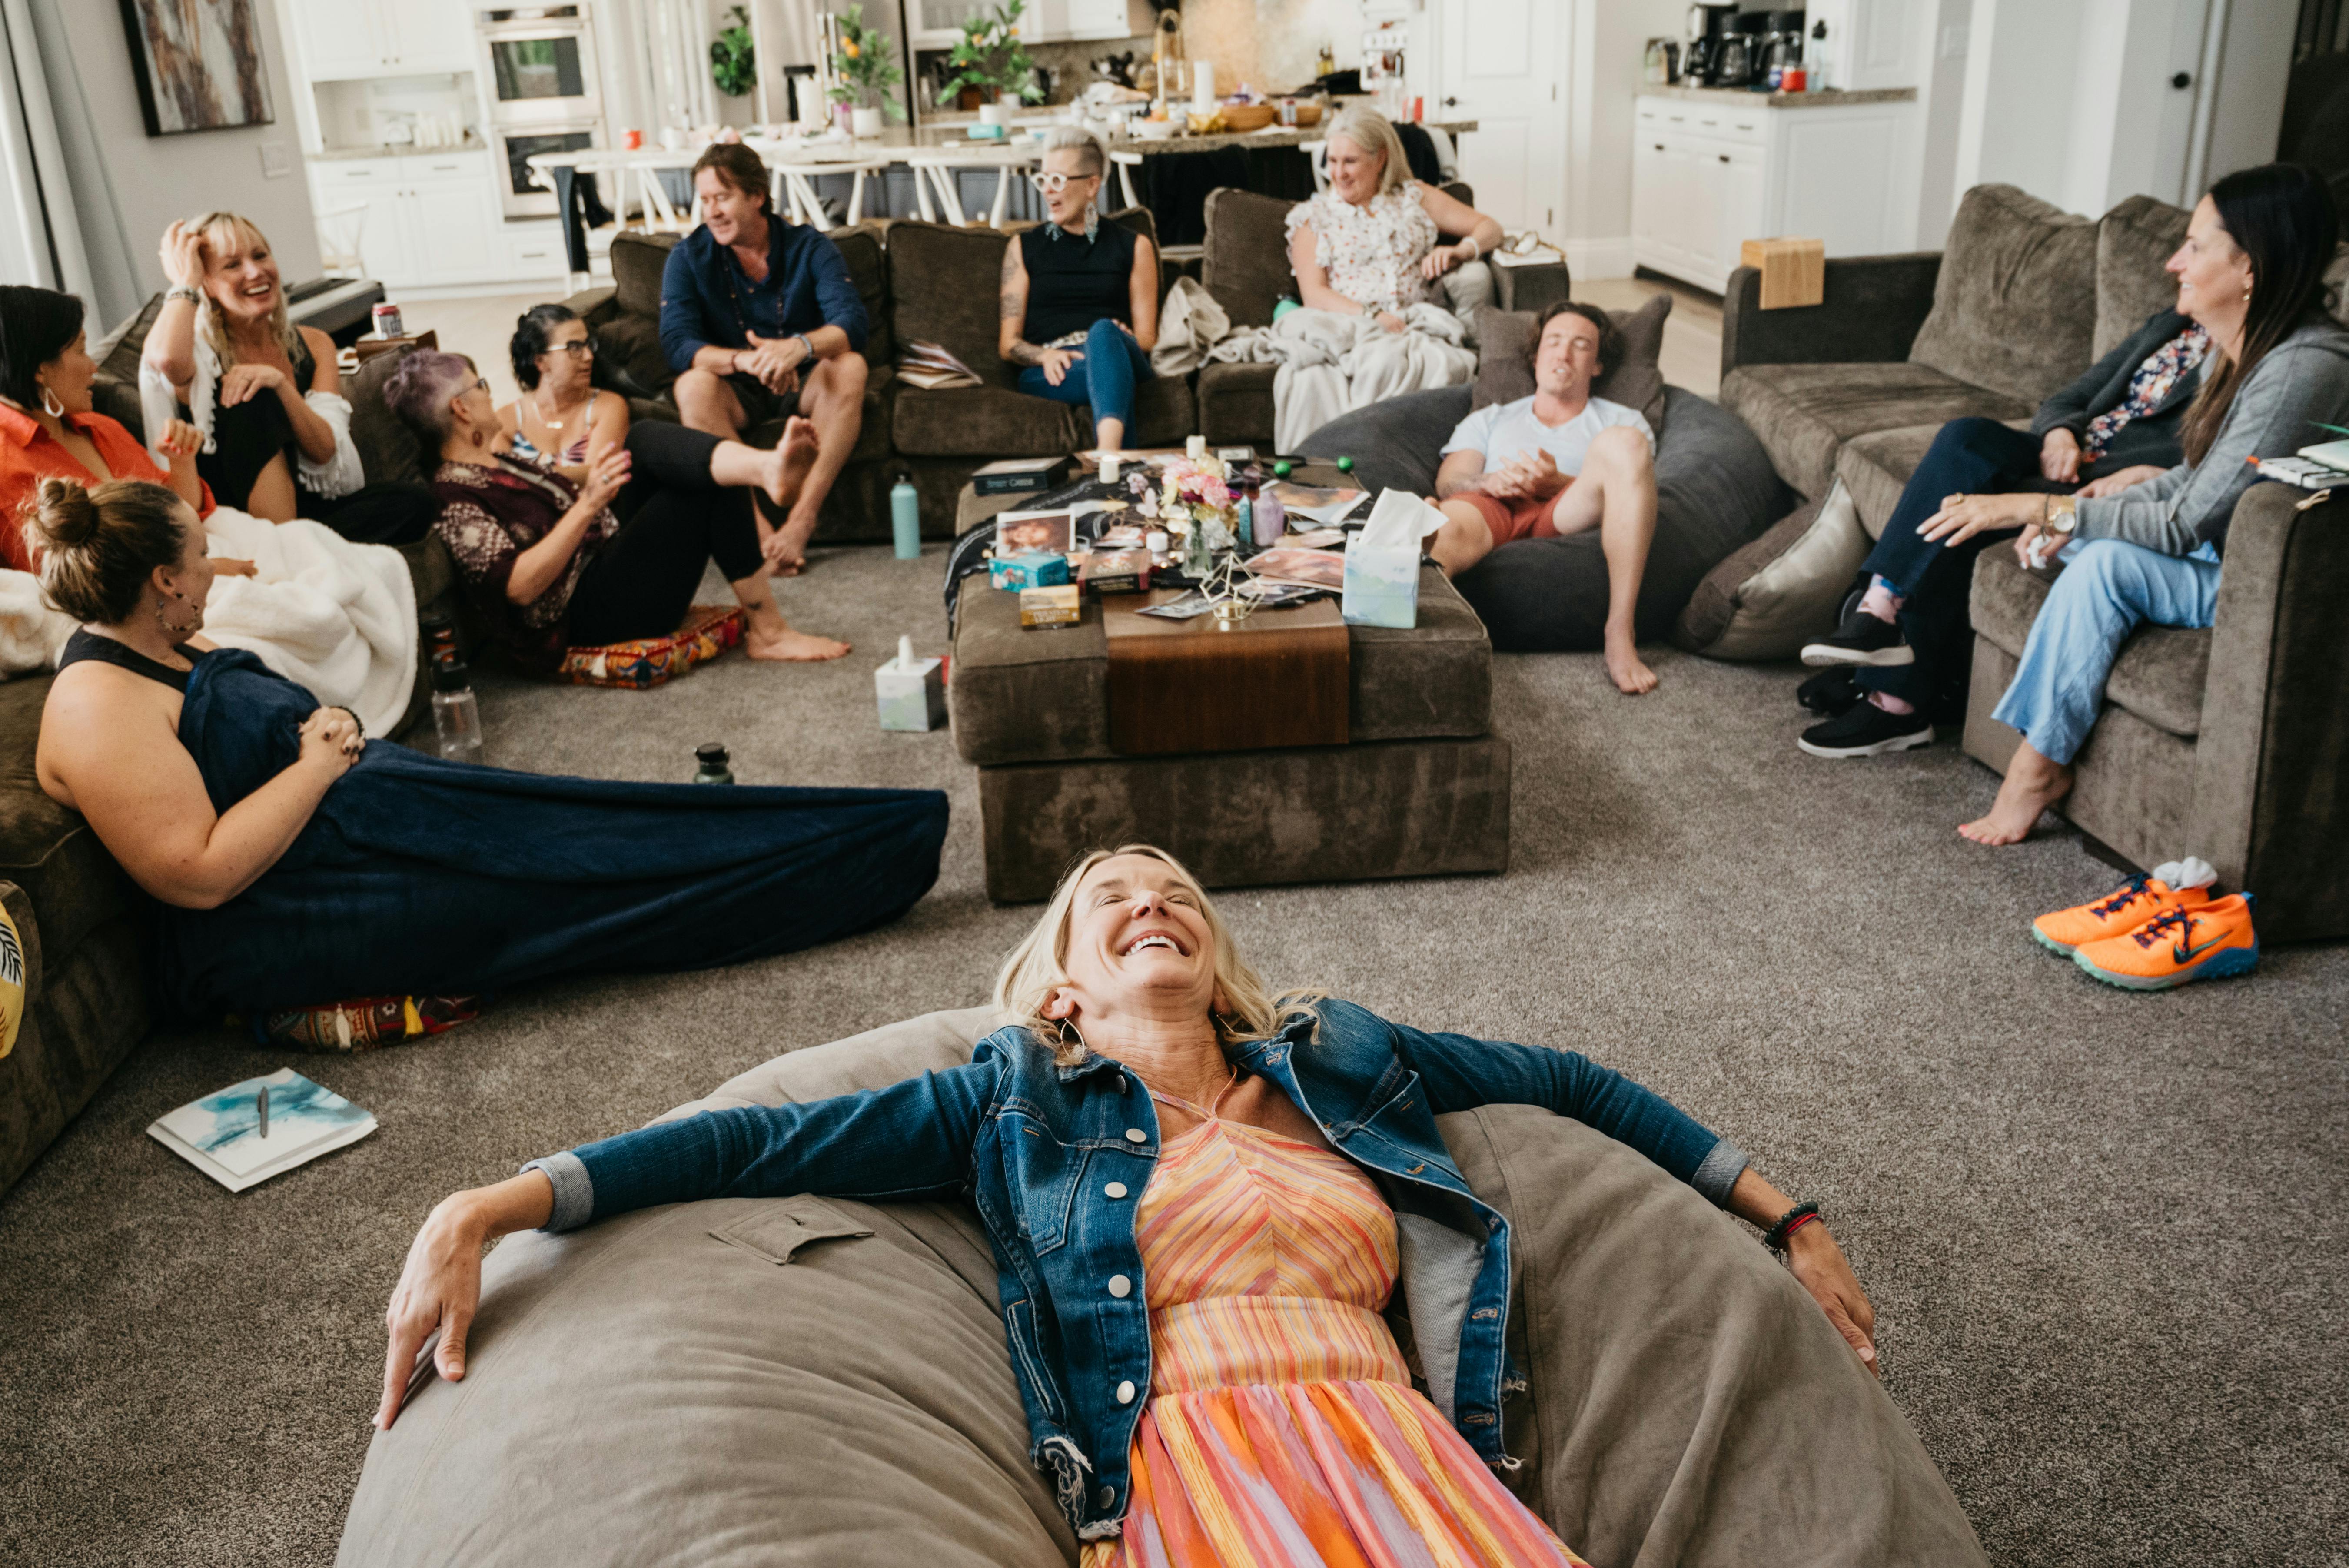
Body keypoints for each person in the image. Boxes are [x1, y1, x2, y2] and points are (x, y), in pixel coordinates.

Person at [375, 843, 1882, 1563]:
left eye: (1173, 890)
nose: (1148, 896)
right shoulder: (1010, 1097)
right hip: (1194, 1467)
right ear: (1061, 977)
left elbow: (1571, 1082)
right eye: (1112, 893)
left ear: (1214, 956)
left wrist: (1786, 1212)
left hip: (1412, 1453)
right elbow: (752, 1145)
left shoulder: (1341, 1058)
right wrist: (495, 1201)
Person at [26, 473, 947, 1022]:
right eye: (199, 562)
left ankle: (876, 832)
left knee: (599, 829)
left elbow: (250, 702)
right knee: (579, 897)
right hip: (307, 904)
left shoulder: (164, 634)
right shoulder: (97, 705)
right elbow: (199, 873)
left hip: (369, 811)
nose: (213, 574)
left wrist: (334, 741)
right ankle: (864, 863)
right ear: (159, 582)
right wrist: (317, 760)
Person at [1913, 164, 2348, 844]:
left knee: (2100, 561)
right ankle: (1906, 666)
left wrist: (2038, 509)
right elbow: (2191, 484)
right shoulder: (2240, 353)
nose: (2175, 262)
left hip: (2273, 583)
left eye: (2196, 247)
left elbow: (2185, 524)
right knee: (2065, 537)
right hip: (2219, 547)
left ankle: (2037, 768)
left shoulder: (2303, 369)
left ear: (2251, 269)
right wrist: (2067, 515)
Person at [1792, 303, 2210, 758]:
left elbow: (2220, 470)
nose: (2177, 262)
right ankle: (1878, 607)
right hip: (2064, 457)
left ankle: (1893, 701)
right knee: (1964, 438)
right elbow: (2067, 398)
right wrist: (2058, 434)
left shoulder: (2255, 355)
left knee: (1961, 510)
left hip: (2107, 487)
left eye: (2194, 246)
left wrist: (2149, 473)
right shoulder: (2171, 325)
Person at [388, 350, 849, 669]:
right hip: (583, 614)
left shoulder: (494, 459)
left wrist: (602, 474)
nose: (488, 393)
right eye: (479, 386)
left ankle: (767, 469)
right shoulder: (453, 499)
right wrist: (587, 506)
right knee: (699, 490)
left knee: (648, 440)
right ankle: (767, 631)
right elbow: (520, 587)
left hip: (605, 556)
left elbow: (540, 488)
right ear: (460, 410)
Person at [140, 211, 435, 542]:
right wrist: (184, 282)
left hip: (310, 510)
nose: (255, 272)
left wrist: (280, 384)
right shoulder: (198, 352)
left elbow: (324, 451)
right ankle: (294, 551)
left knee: (414, 502)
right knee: (252, 397)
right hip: (242, 520)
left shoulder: (314, 343)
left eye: (260, 255)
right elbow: (166, 359)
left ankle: (305, 548)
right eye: (232, 265)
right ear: (205, 282)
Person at [1430, 300, 1660, 695]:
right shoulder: (1491, 417)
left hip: (1568, 507)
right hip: (1494, 506)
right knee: (1440, 529)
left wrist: (1558, 484)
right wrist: (1488, 481)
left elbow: (1631, 493)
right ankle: (1425, 641)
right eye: (1553, 341)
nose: (1563, 352)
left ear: (1598, 365)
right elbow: (1448, 482)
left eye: (1581, 345)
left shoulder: (1623, 420)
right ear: (1536, 357)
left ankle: (1620, 631)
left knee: (1624, 445)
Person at [661, 142, 869, 577]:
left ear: (756, 195)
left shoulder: (809, 247)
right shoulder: (687, 257)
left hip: (806, 383)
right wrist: (745, 362)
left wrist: (799, 348)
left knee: (850, 365)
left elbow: (851, 321)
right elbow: (677, 342)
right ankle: (756, 535)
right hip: (736, 388)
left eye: (723, 197)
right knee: (691, 384)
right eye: (704, 200)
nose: (711, 211)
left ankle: (801, 521)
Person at [0, 285, 210, 575]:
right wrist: (197, 570)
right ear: (40, 369)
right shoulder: (7, 463)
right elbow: (68, 575)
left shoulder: (100, 427)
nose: (93, 368)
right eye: (81, 351)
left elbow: (178, 515)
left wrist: (182, 462)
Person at [997, 127, 1161, 452]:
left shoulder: (1134, 246)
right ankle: (1115, 461)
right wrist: (1043, 355)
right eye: (1042, 180)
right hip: (1054, 369)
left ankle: (1107, 458)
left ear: (1091, 185)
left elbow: (1147, 338)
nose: (1047, 191)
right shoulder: (1023, 248)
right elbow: (1008, 344)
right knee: (1112, 373)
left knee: (1102, 332)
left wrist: (1115, 339)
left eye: (1057, 180)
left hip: (1117, 351)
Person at [1286, 105, 1504, 334]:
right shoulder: (1312, 217)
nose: (1339, 174)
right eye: (1332, 161)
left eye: (1350, 161)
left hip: (1416, 325)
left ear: (1380, 158)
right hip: (1352, 328)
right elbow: (1314, 295)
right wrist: (1373, 316)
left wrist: (1462, 251)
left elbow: (1491, 228)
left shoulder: (1414, 198)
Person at [500, 304, 628, 487]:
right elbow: (494, 481)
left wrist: (522, 474)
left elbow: (600, 480)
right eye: (574, 347)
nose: (589, 356)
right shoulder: (507, 420)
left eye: (587, 345)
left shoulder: (608, 406)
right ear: (541, 361)